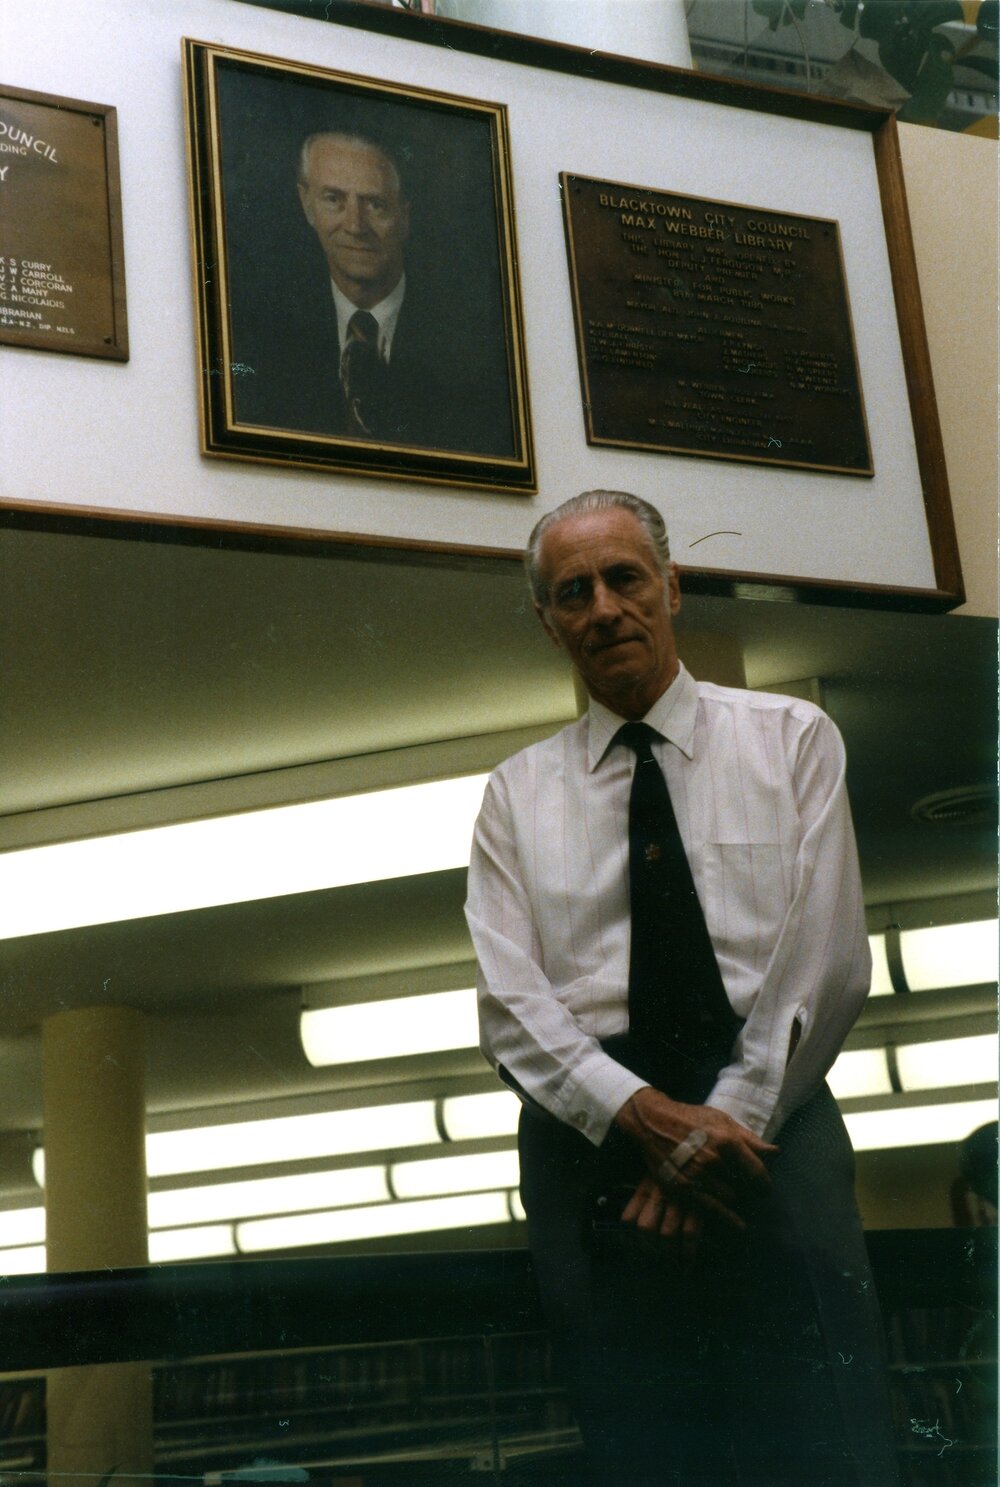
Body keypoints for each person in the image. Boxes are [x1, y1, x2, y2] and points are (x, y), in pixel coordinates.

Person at [465, 490, 899, 1486]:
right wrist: (639, 1117)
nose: (605, 606)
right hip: (592, 1136)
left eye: (625, 577)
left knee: (825, 1433)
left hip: (768, 1119)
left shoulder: (790, 739)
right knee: (644, 1444)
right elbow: (509, 1002)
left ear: (671, 584)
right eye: (573, 591)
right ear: (547, 620)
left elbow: (825, 956)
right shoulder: (516, 794)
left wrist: (716, 1126)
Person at [232, 130, 514, 457]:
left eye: (375, 204)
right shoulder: (259, 334)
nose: (355, 226)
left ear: (404, 216)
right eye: (334, 199)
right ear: (306, 204)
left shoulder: (472, 341)